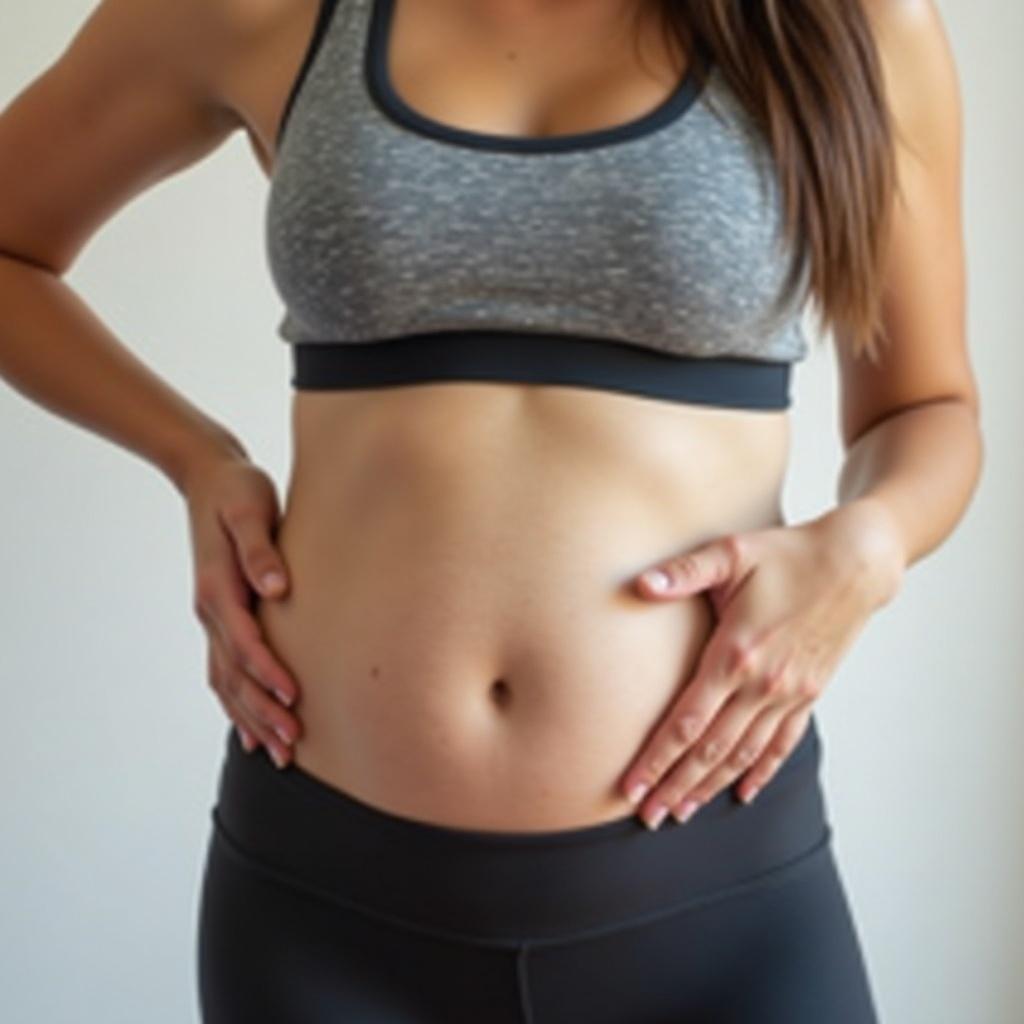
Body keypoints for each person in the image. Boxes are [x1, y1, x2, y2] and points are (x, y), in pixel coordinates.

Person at [0, 0, 982, 1020]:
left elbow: (928, 408)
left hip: (716, 898)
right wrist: (198, 459)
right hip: (326, 914)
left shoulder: (850, 24)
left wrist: (869, 544)